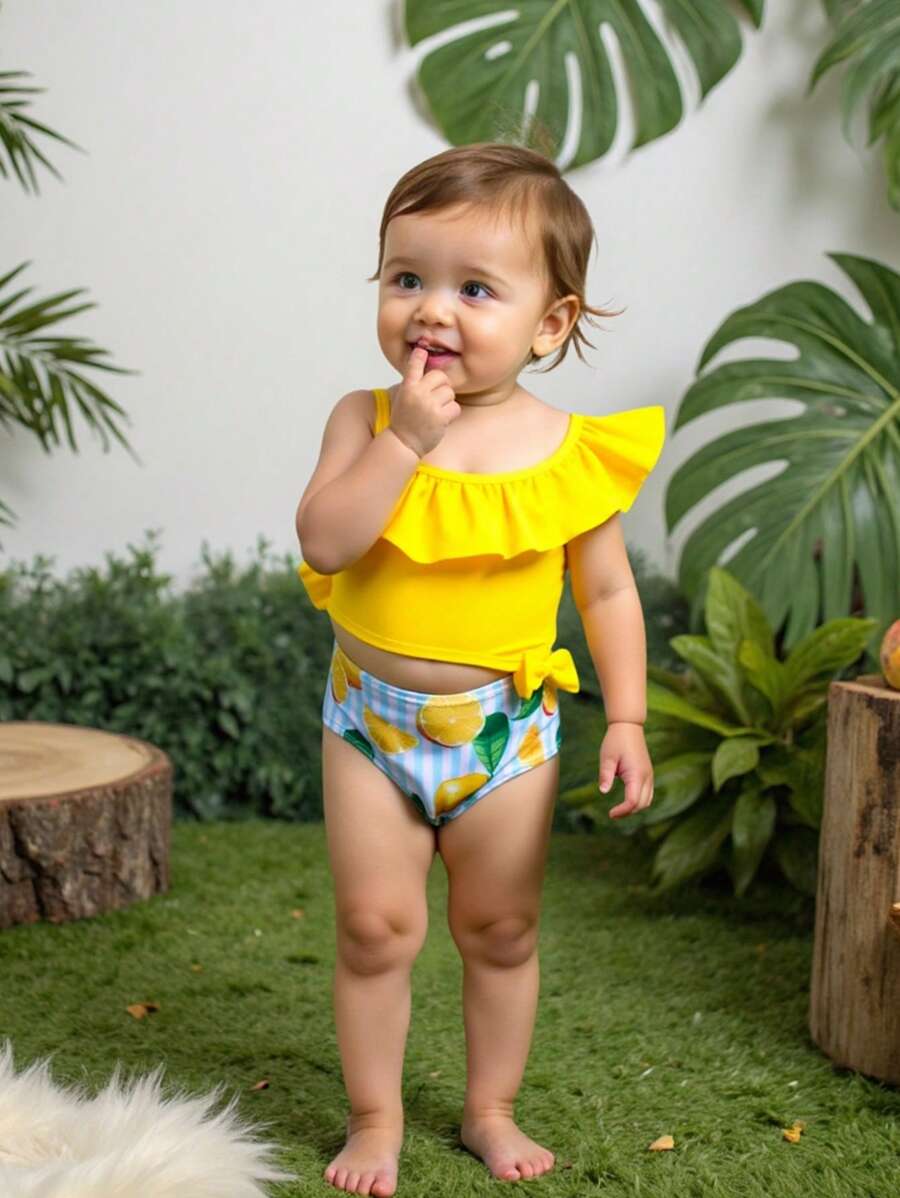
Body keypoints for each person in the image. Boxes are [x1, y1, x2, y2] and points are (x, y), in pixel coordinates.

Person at [295, 141, 665, 1197]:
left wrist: (627, 717)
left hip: (506, 733)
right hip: (371, 723)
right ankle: (376, 1119)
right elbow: (325, 541)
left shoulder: (566, 451)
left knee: (500, 929)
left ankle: (489, 1107)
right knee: (375, 929)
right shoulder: (365, 419)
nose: (431, 310)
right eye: (407, 277)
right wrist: (404, 445)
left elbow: (607, 594)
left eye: (474, 289)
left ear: (550, 323)